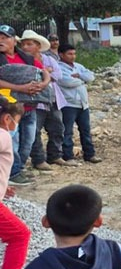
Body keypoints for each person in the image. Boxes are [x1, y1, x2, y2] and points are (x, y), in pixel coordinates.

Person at [0, 25, 51, 185]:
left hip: (29, 107)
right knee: (11, 142)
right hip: (9, 109)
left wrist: (44, 84)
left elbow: (43, 71)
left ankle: (18, 168)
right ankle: (12, 173)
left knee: (27, 143)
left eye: (4, 38)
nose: (1, 41)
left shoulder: (25, 57)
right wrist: (20, 88)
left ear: (14, 41)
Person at [19, 30, 70, 170]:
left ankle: (55, 156)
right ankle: (39, 159)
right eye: (23, 44)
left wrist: (43, 74)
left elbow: (58, 75)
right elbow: (26, 78)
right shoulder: (22, 61)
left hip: (53, 99)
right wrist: (46, 72)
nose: (25, 47)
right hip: (34, 101)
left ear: (38, 46)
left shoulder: (49, 59)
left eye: (29, 44)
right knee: (34, 132)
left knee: (57, 128)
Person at [0, 99, 31, 269]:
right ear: (7, 118)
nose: (15, 126)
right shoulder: (3, 135)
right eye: (16, 121)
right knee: (20, 235)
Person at [57, 44, 102, 163]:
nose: (73, 56)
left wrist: (80, 76)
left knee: (86, 130)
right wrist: (83, 80)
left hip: (83, 104)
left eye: (74, 54)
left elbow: (91, 77)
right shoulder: (58, 68)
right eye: (69, 54)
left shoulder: (78, 66)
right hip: (68, 104)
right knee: (67, 132)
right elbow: (67, 82)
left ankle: (89, 154)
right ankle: (68, 156)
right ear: (61, 55)